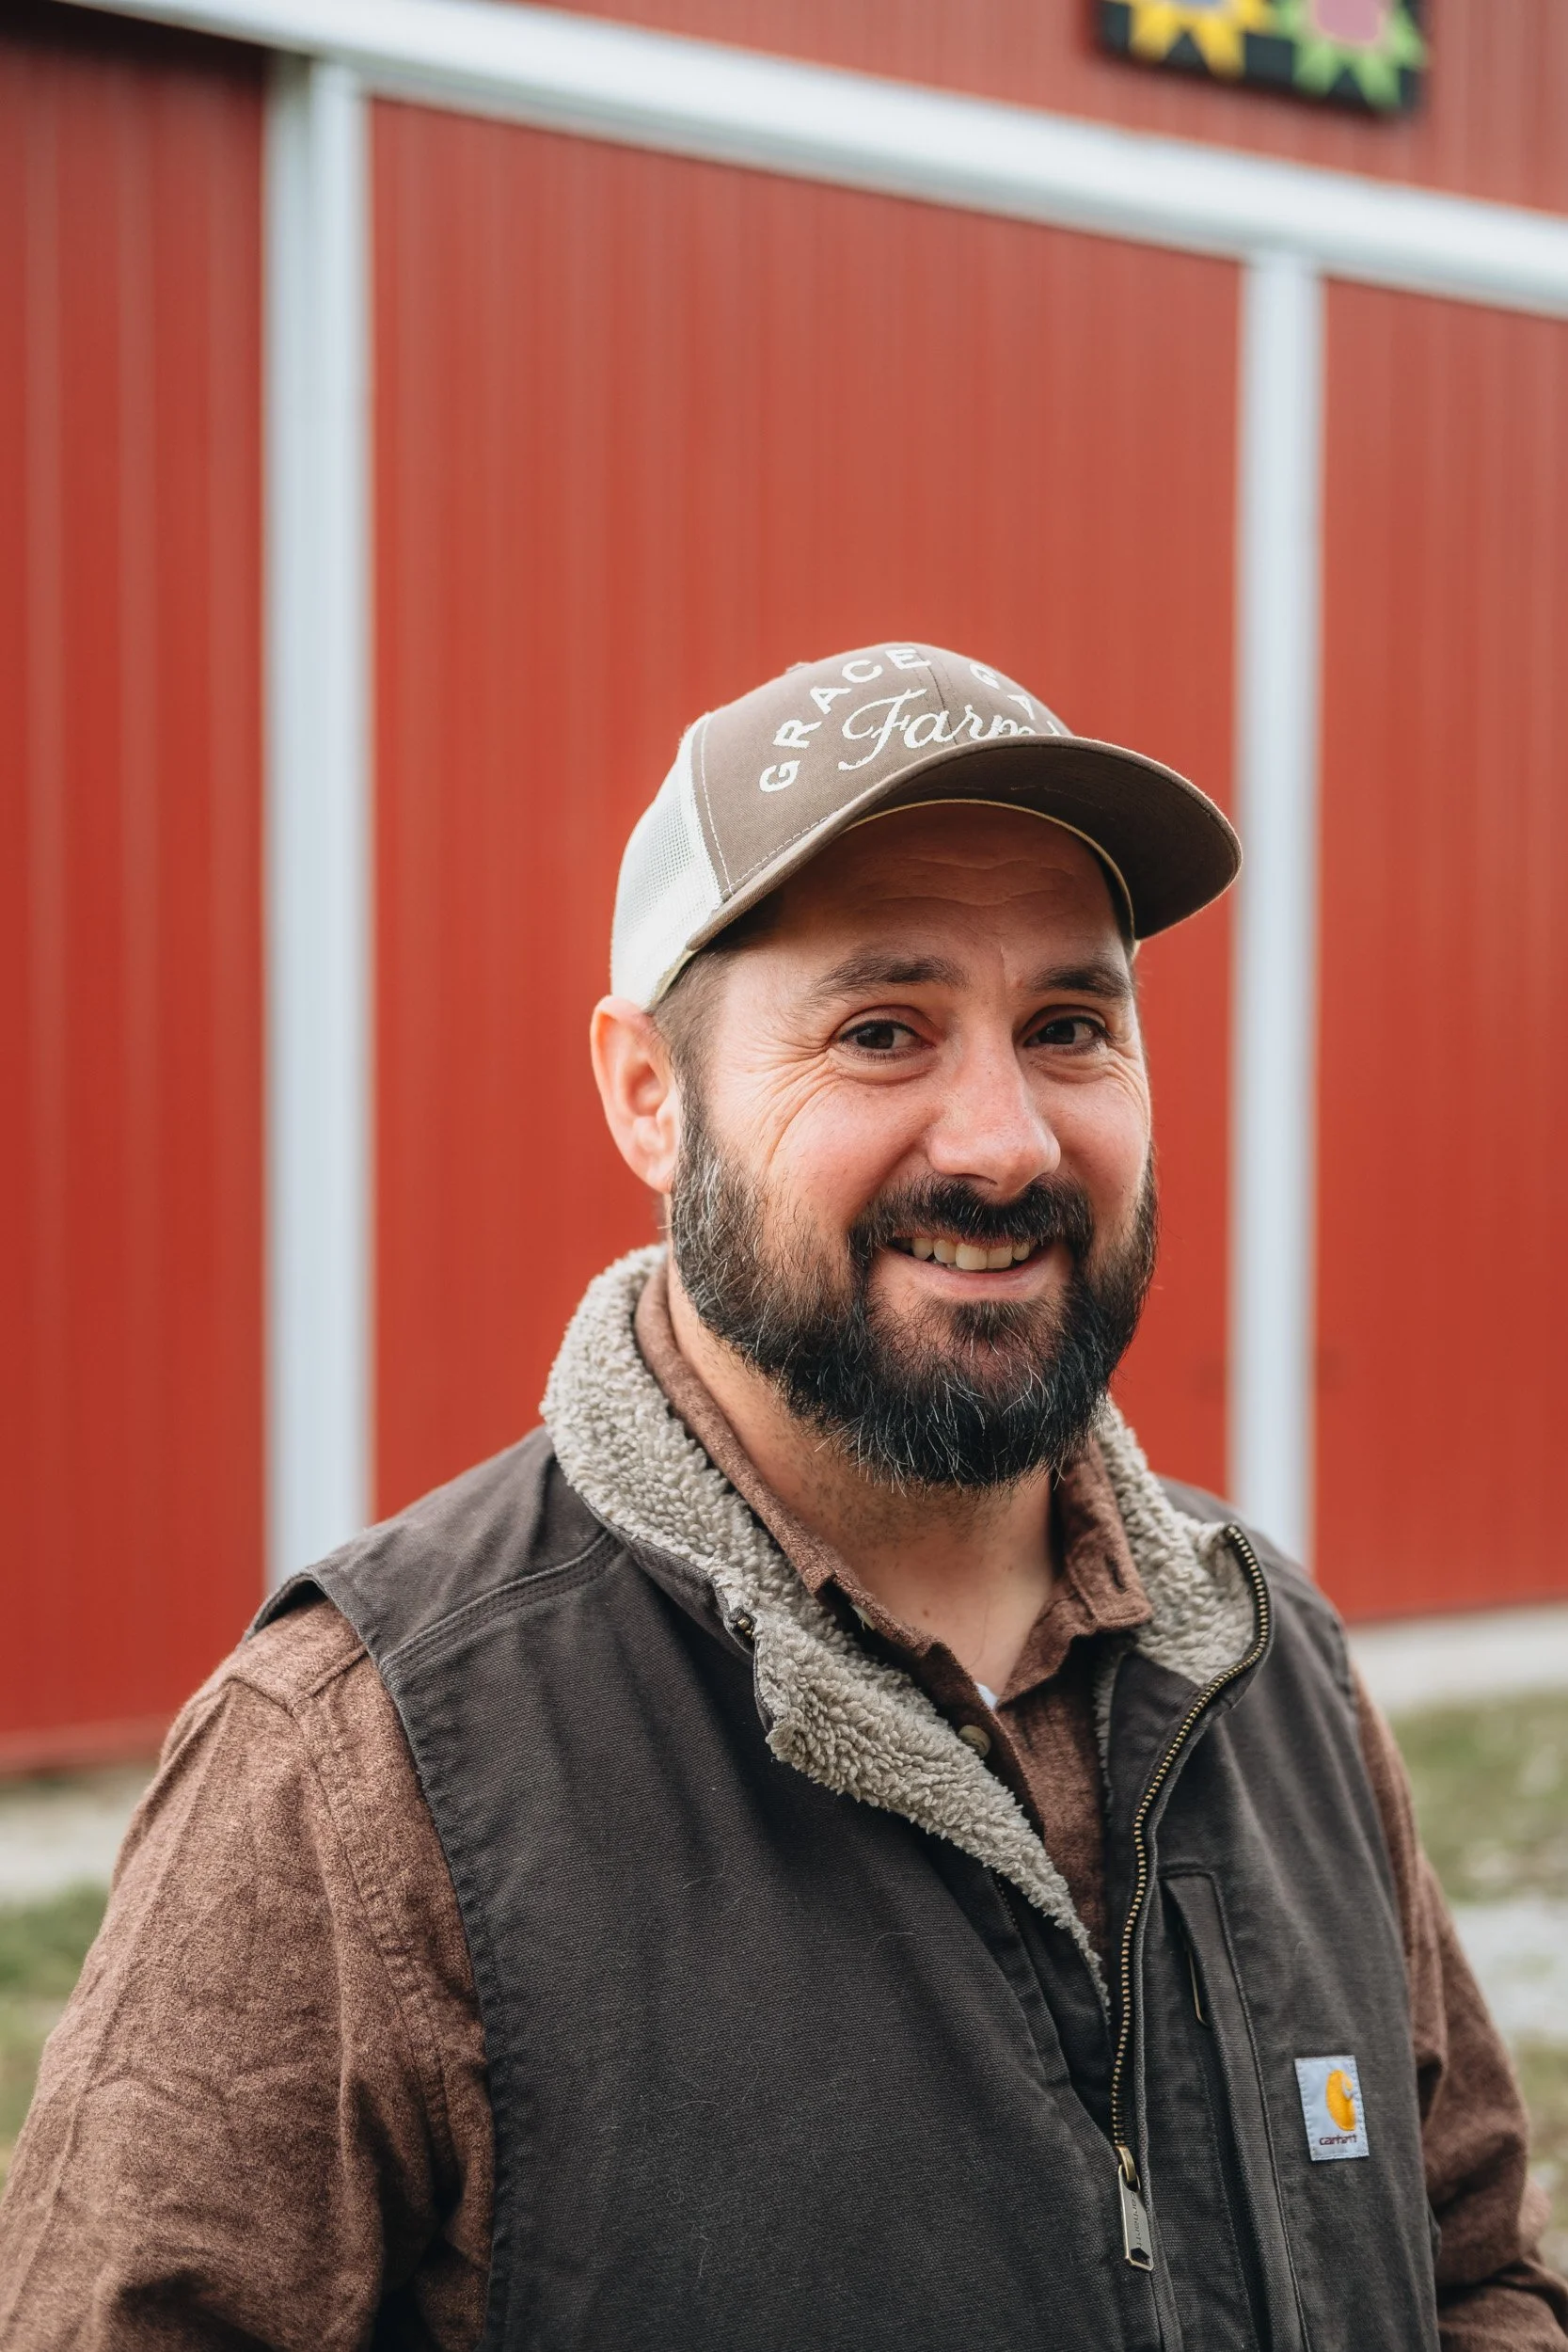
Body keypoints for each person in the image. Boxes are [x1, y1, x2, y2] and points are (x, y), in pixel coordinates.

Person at [1, 643, 1562, 2352]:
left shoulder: (1275, 1667)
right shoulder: (358, 1766)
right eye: (881, 1031)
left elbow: (1471, 2275)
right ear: (647, 1098)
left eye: (1068, 1026)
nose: (1005, 1139)